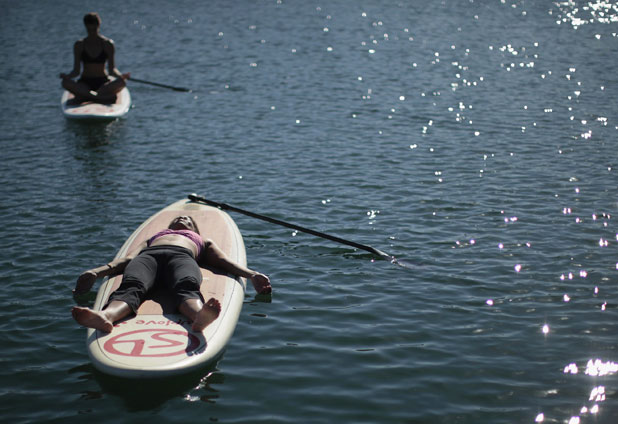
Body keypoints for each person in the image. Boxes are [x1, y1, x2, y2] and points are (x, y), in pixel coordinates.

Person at [72, 215, 272, 333]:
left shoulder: (202, 240)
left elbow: (222, 261)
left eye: (187, 219)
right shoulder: (154, 238)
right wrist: (96, 272)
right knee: (131, 285)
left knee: (186, 284)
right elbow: (127, 259)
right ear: (168, 227)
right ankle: (106, 316)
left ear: (194, 229)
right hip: (148, 258)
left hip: (182, 257)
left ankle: (199, 315)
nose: (182, 218)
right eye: (178, 218)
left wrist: (252, 275)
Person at [59, 12, 130, 103]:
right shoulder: (79, 45)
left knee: (122, 83)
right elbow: (76, 71)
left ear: (98, 26)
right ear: (86, 27)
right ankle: (99, 98)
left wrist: (121, 76)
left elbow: (112, 70)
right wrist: (67, 76)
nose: (92, 32)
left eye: (94, 29)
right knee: (65, 83)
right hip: (85, 83)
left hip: (102, 82)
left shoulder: (108, 44)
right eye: (89, 29)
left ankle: (85, 97)